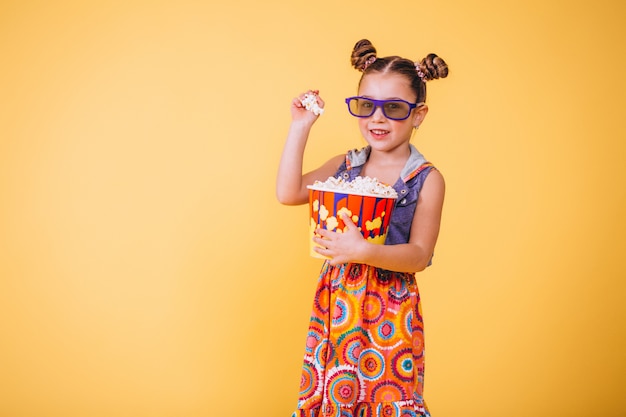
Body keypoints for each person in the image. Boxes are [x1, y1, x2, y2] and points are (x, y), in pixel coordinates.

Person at [276, 38, 449, 417]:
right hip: (337, 300)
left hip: (391, 306)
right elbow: (289, 193)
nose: (378, 118)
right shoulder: (346, 166)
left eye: (394, 109)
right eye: (367, 106)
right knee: (334, 389)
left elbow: (419, 255)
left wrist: (363, 250)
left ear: (418, 114)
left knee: (385, 394)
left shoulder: (425, 179)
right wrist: (300, 127)